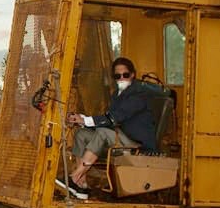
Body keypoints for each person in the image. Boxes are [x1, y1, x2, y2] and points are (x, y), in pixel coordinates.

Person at [58, 57, 158, 200]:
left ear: (133, 74)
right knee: (81, 134)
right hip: (121, 135)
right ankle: (82, 185)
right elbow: (108, 118)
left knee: (103, 133)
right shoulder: (117, 95)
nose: (122, 78)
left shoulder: (138, 94)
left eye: (125, 75)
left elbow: (115, 118)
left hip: (136, 142)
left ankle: (74, 177)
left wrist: (86, 120)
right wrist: (82, 120)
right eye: (118, 76)